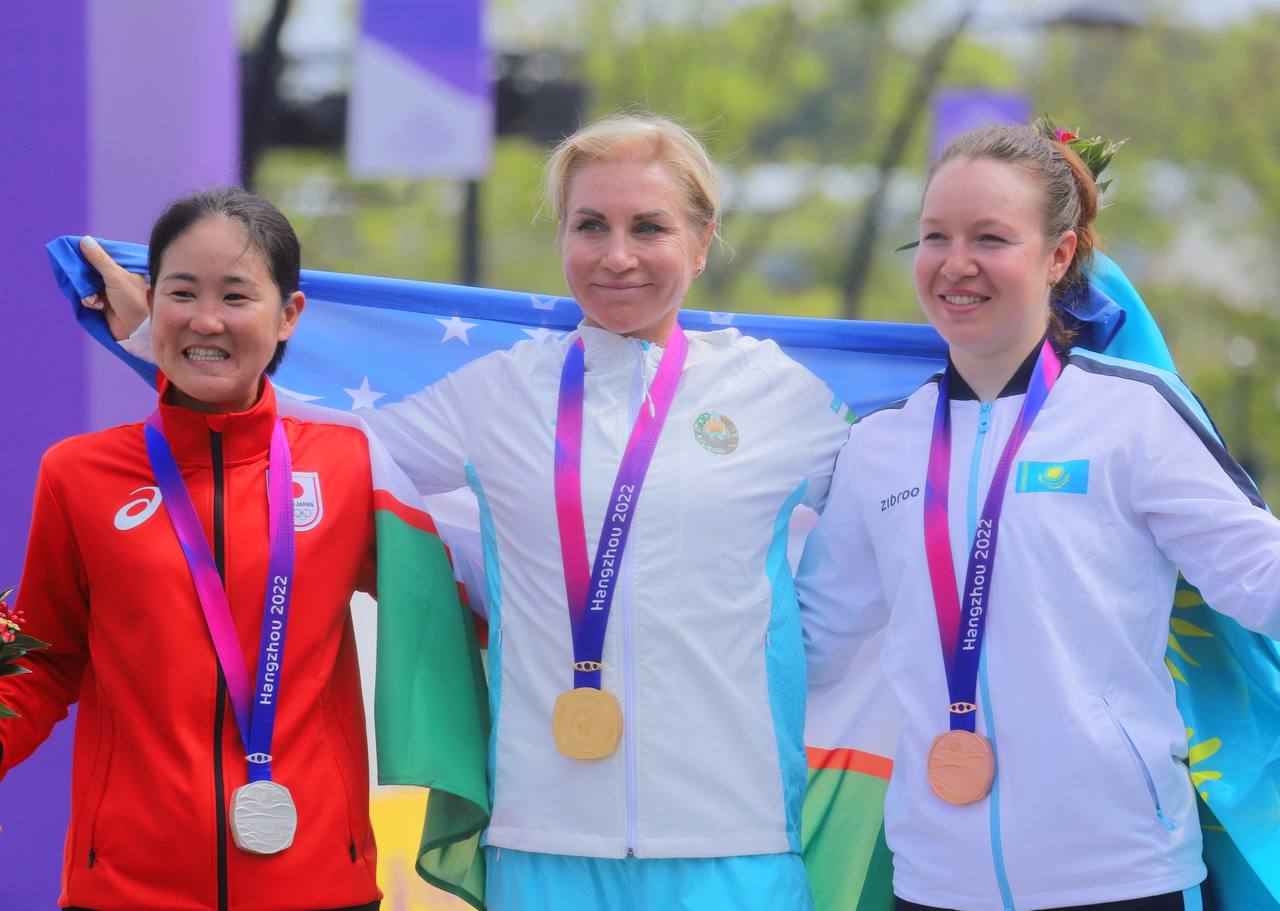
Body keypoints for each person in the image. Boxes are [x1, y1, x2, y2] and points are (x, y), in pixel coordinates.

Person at [90, 115, 854, 910]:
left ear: (701, 241)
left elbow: (891, 518)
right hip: (543, 839)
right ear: (563, 235)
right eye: (590, 224)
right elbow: (319, 448)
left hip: (735, 841)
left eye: (649, 227)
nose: (617, 255)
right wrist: (158, 339)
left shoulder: (779, 397)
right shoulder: (501, 392)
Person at [796, 124, 1280, 911]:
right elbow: (810, 643)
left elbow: (1261, 578)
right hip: (937, 881)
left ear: (1059, 255)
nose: (956, 263)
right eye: (935, 236)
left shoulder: (1132, 415)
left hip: (1125, 874)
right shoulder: (881, 446)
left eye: (990, 238)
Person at [1, 187, 485, 911]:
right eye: (181, 292)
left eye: (235, 295)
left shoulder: (353, 466)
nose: (206, 320)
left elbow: (460, 608)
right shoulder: (79, 474)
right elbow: (41, 657)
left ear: (288, 314)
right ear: (151, 304)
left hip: (318, 880)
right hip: (127, 885)